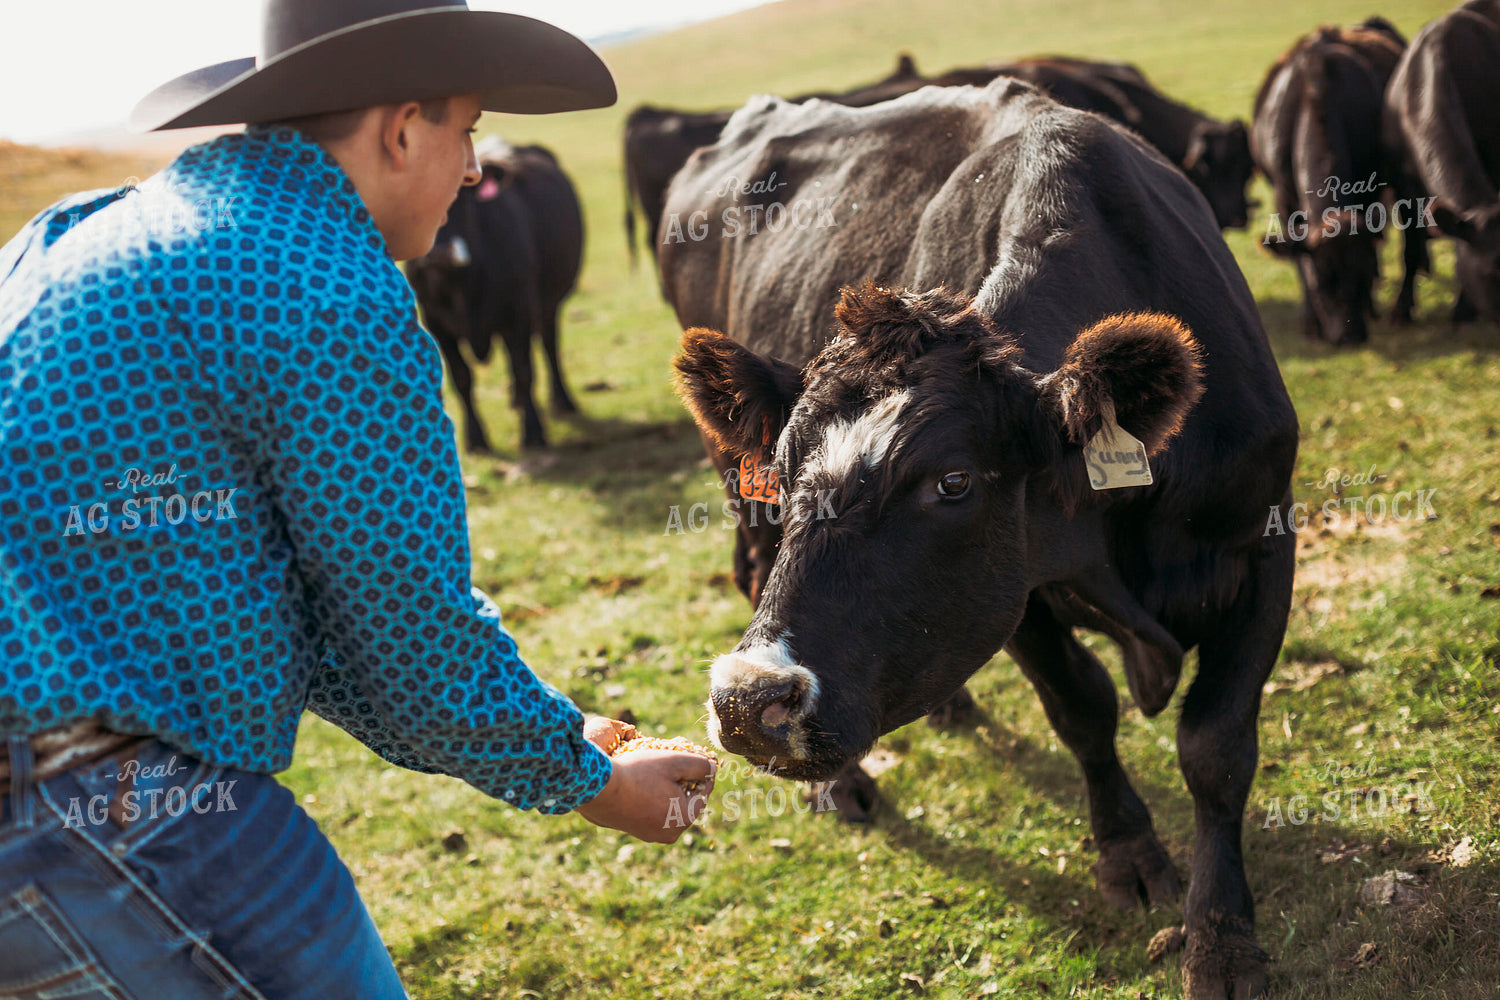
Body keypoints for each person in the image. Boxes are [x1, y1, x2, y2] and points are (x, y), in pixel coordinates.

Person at [0, 2, 715, 997]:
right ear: (401, 126)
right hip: (109, 801)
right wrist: (595, 786)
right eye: (465, 131)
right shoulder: (322, 286)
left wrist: (555, 732)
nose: (475, 168)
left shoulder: (86, 232)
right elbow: (408, 636)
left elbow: (317, 615)